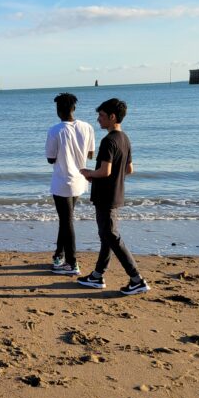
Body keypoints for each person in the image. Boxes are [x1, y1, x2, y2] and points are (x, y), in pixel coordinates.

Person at [78, 98, 150, 295]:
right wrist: (105, 177)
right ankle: (97, 275)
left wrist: (88, 173)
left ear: (112, 117)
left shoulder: (108, 140)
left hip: (105, 196)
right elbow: (129, 169)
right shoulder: (124, 138)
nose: (98, 119)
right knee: (106, 236)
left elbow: (105, 171)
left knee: (111, 236)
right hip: (115, 193)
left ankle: (137, 279)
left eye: (101, 115)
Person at [46, 93, 95, 275]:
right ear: (74, 108)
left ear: (58, 110)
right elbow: (90, 154)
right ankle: (59, 254)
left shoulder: (55, 130)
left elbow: (51, 159)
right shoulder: (87, 127)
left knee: (67, 221)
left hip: (62, 181)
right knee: (65, 219)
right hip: (80, 180)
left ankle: (72, 262)